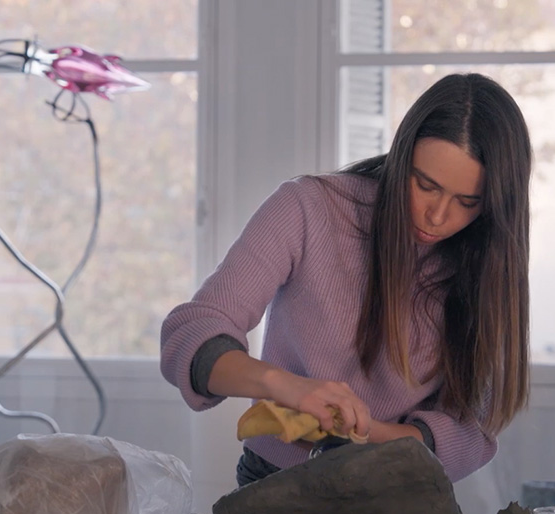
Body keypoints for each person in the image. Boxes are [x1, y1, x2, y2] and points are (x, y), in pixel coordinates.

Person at [160, 72, 532, 487]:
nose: (438, 216)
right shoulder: (308, 208)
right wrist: (286, 387)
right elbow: (190, 335)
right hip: (275, 483)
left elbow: (471, 431)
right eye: (426, 185)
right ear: (401, 156)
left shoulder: (486, 261)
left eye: (467, 202)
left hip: (398, 488)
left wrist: (359, 434)